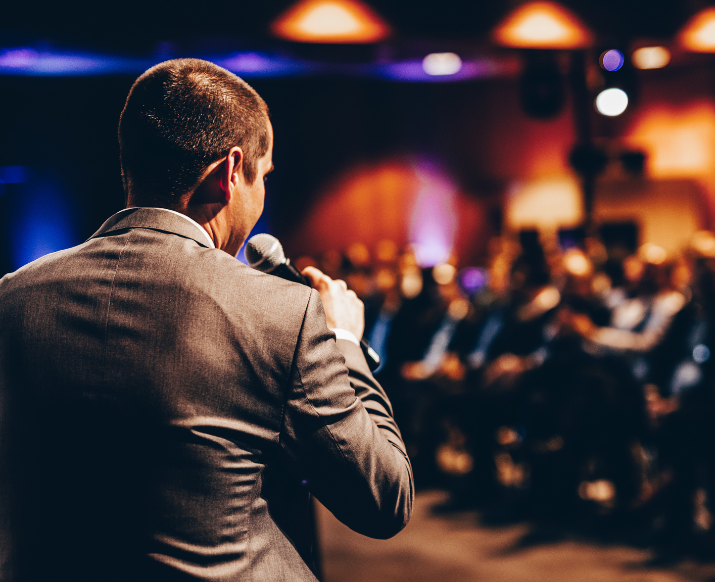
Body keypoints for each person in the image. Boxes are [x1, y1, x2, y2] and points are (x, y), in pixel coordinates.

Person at [0, 59, 413, 581]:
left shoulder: (12, 299)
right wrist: (345, 342)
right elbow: (383, 498)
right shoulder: (279, 312)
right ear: (230, 173)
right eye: (262, 177)